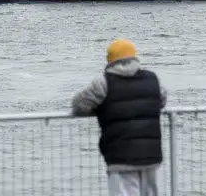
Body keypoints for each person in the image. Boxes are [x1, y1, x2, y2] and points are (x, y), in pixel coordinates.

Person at [71, 38, 167, 196]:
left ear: (109, 60)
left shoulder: (103, 83)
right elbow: (161, 100)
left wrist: (102, 109)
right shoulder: (152, 79)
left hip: (120, 157)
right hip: (151, 157)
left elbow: (79, 106)